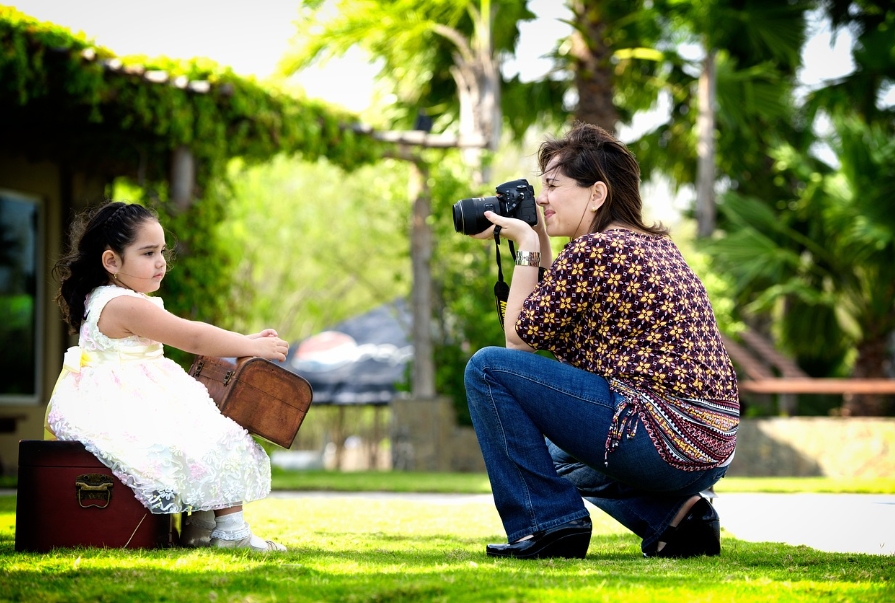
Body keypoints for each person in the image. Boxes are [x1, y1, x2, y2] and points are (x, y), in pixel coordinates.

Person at [464, 122, 739, 560]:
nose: (542, 199)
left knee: (486, 368)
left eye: (553, 186)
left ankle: (548, 524)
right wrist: (535, 236)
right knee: (553, 452)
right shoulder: (649, 246)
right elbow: (550, 313)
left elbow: (517, 341)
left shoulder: (597, 251)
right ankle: (677, 519)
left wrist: (526, 246)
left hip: (660, 436)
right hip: (709, 445)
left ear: (596, 194)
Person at [46, 201, 288, 552]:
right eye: (147, 253)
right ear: (112, 261)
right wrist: (248, 347)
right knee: (215, 434)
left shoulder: (112, 298)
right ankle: (230, 531)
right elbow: (190, 336)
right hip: (120, 402)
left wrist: (247, 342)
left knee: (201, 431)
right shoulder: (124, 305)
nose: (160, 261)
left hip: (125, 393)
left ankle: (201, 527)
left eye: (162, 251)